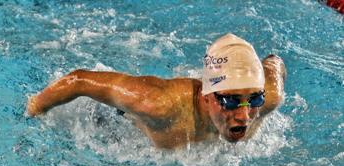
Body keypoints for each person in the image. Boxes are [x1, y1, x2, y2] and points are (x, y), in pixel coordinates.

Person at [27, 33, 286, 149]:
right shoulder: (159, 104)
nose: (245, 116)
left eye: (254, 98)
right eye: (231, 101)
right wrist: (32, 112)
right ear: (207, 96)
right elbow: (79, 80)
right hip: (117, 123)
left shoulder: (269, 99)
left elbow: (275, 61)